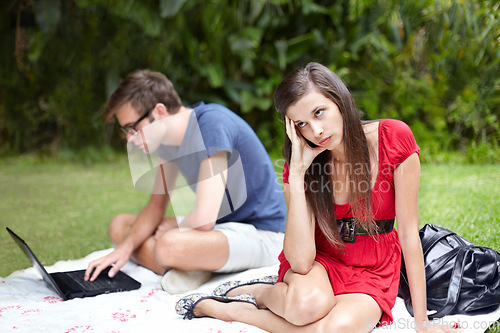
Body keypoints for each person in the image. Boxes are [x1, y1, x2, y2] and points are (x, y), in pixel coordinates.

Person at [174, 63, 461, 332]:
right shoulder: (301, 165)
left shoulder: (393, 139)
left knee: (333, 329)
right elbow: (300, 262)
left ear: (340, 100)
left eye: (319, 112)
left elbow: (409, 235)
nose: (316, 131)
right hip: (319, 260)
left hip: (373, 265)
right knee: (304, 308)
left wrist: (422, 322)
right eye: (301, 124)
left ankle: (238, 308)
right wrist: (297, 174)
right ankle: (267, 292)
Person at [84, 69, 286, 294]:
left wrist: (176, 227)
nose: (129, 138)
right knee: (120, 226)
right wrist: (122, 250)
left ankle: (190, 263)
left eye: (134, 128)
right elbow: (155, 207)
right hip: (221, 228)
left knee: (168, 245)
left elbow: (204, 219)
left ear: (159, 111)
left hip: (263, 234)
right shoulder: (166, 144)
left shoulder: (211, 124)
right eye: (126, 130)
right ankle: (195, 265)